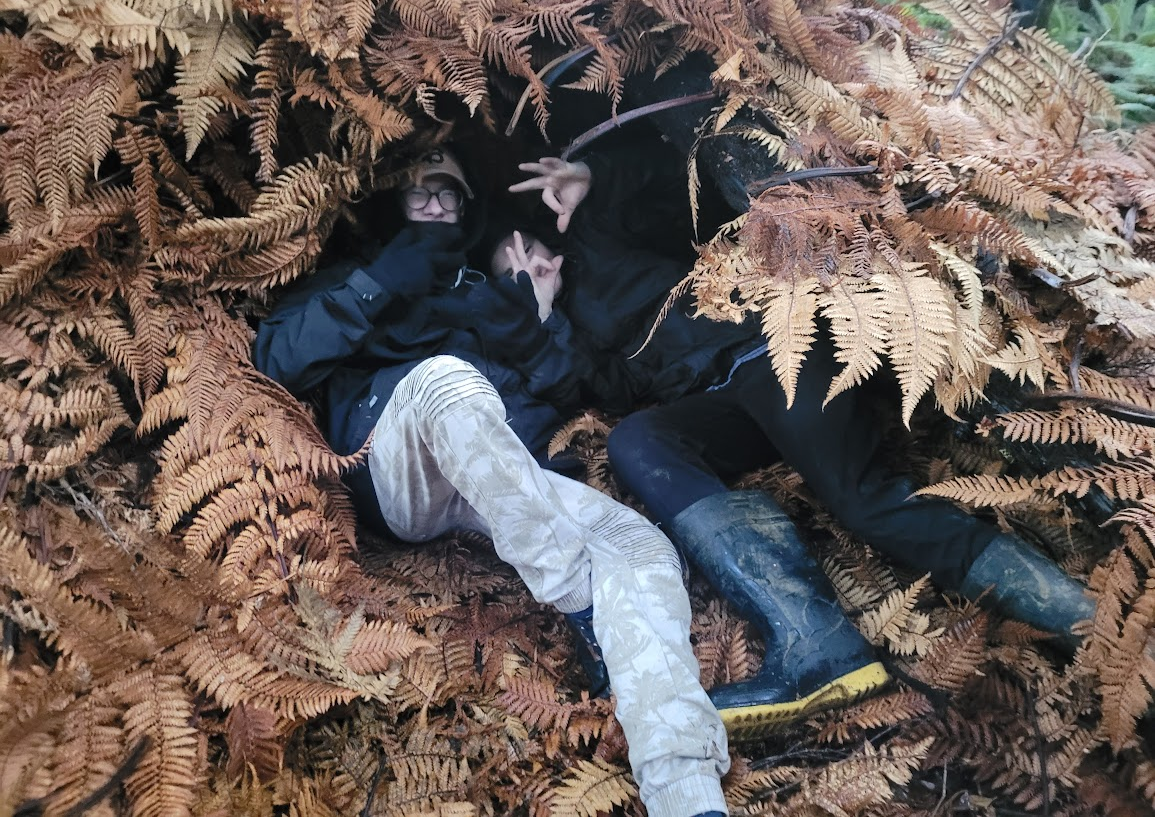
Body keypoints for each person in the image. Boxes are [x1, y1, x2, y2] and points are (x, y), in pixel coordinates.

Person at [509, 152, 1097, 739]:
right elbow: (616, 390)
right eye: (512, 271)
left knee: (861, 501)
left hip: (774, 355)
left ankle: (1085, 624)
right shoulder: (571, 321)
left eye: (526, 249)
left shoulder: (600, 233)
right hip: (721, 401)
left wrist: (596, 180)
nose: (529, 264)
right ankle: (811, 634)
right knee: (637, 439)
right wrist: (547, 315)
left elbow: (677, 192)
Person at [253, 147, 731, 817]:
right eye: (419, 191)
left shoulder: (494, 288)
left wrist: (537, 322)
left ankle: (684, 785)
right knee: (448, 379)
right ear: (392, 200)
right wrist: (377, 283)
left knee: (639, 545)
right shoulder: (358, 274)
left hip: (502, 481)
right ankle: (573, 592)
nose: (435, 205)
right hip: (399, 461)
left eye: (447, 192)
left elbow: (574, 393)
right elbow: (274, 359)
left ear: (468, 205)